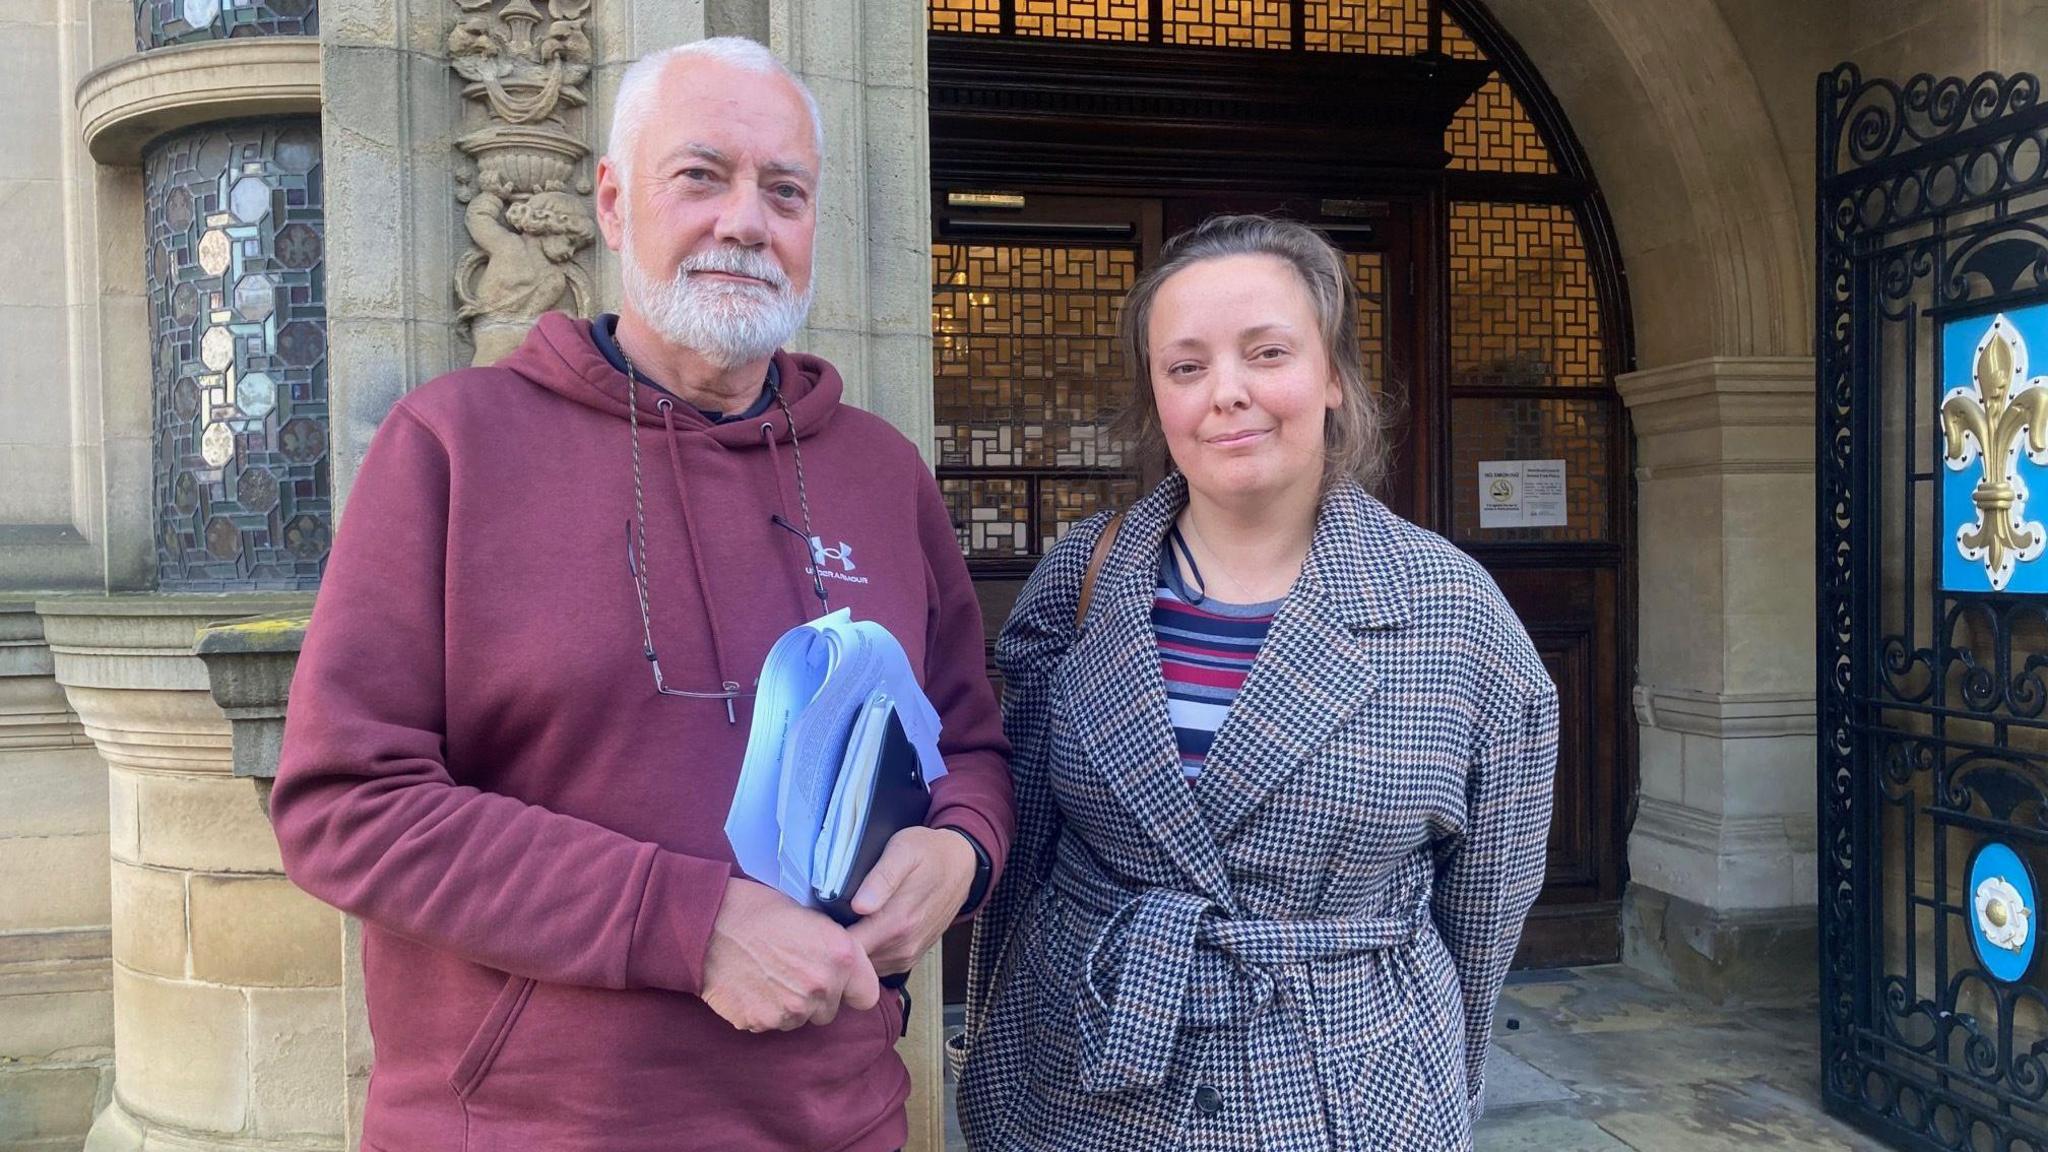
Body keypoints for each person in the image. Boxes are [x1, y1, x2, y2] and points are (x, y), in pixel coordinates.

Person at [271, 37, 1013, 1152]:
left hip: (839, 1117)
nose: (745, 221)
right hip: (534, 1126)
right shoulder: (454, 446)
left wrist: (959, 851)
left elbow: (969, 744)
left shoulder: (879, 469)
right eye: (701, 175)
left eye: (785, 191)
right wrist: (688, 925)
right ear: (613, 203)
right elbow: (346, 809)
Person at [955, 215, 1558, 1151]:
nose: (1226, 393)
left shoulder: (1454, 613)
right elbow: (1025, 850)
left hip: (1353, 1087)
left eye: (1266, 353)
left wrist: (1441, 1067)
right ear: (1157, 399)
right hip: (1087, 1076)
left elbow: (1487, 904)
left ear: (1333, 379)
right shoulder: (1078, 581)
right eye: (1185, 367)